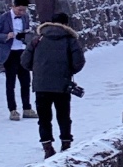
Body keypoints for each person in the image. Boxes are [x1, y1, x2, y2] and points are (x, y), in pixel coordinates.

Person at [23, 10, 86, 156]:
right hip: (62, 85)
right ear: (66, 24)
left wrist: (38, 71)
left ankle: (48, 148)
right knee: (63, 116)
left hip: (41, 85)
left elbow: (25, 61)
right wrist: (68, 72)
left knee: (44, 118)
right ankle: (66, 144)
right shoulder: (70, 40)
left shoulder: (38, 39)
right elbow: (79, 62)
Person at [0, 0, 35, 122]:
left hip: (22, 51)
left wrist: (25, 36)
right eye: (19, 9)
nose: (21, 12)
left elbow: (27, 32)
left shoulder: (25, 17)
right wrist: (6, 36)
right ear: (13, 6)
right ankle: (13, 110)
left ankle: (27, 108)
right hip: (9, 53)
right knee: (11, 83)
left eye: (24, 10)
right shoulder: (3, 18)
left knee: (26, 81)